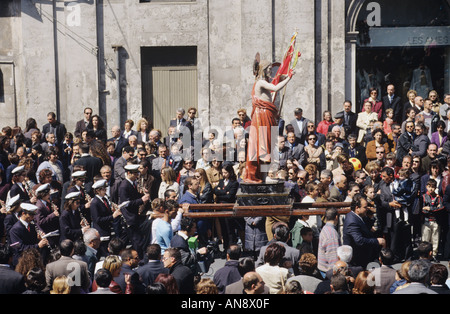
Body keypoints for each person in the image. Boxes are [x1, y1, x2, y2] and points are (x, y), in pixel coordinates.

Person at [244, 59, 294, 184]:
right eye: (269, 69)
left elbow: (270, 96)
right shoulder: (260, 82)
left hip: (266, 114)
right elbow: (275, 87)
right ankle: (264, 175)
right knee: (264, 145)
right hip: (262, 116)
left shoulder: (262, 82)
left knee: (267, 145)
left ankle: (265, 174)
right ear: (264, 70)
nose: (271, 71)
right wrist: (289, 78)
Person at [343, 194, 385, 268]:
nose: (367, 209)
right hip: (357, 260)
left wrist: (370, 216)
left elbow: (365, 226)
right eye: (365, 207)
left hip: (365, 255)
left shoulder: (358, 216)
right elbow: (359, 241)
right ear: (357, 208)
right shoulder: (352, 221)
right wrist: (377, 241)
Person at [118, 164, 151, 259]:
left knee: (125, 240)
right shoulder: (124, 185)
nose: (137, 175)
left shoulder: (132, 183)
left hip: (133, 216)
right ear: (129, 173)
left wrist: (141, 194)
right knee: (137, 241)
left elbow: (133, 196)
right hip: (129, 217)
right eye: (135, 173)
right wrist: (141, 200)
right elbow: (125, 203)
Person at [421, 179, 445, 260]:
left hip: (435, 221)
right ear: (426, 187)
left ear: (435, 188)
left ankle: (434, 255)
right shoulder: (423, 197)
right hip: (426, 221)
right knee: (425, 239)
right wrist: (435, 208)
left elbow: (441, 208)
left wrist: (430, 208)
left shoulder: (438, 198)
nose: (431, 189)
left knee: (435, 239)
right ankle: (425, 255)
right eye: (429, 187)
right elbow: (423, 210)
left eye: (433, 187)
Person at [317, 208, 341, 277]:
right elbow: (333, 257)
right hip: (328, 271)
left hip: (324, 269)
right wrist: (335, 274)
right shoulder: (331, 234)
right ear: (336, 217)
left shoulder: (326, 228)